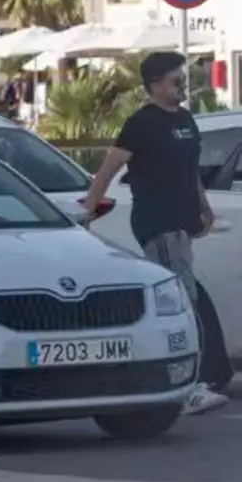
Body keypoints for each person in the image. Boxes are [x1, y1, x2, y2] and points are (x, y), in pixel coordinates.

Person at [83, 52, 230, 416]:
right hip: (157, 222)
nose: (183, 86)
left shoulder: (185, 120)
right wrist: (86, 213)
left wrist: (205, 208)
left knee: (185, 298)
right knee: (183, 300)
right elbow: (107, 171)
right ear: (155, 85)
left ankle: (191, 381)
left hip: (182, 223)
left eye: (184, 80)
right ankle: (190, 386)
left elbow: (192, 172)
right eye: (176, 81)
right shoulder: (141, 124)